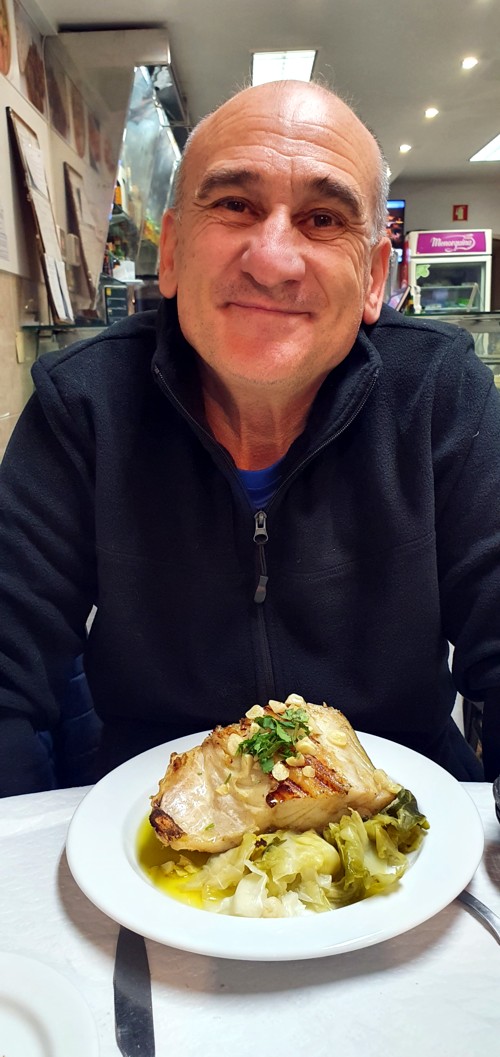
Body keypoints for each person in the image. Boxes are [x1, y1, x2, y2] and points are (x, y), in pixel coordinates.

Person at [1, 79, 499, 797]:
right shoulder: (81, 405)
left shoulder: (441, 393)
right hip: (148, 820)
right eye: (235, 204)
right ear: (173, 252)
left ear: (373, 278)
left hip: (409, 820)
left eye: (323, 219)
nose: (271, 260)